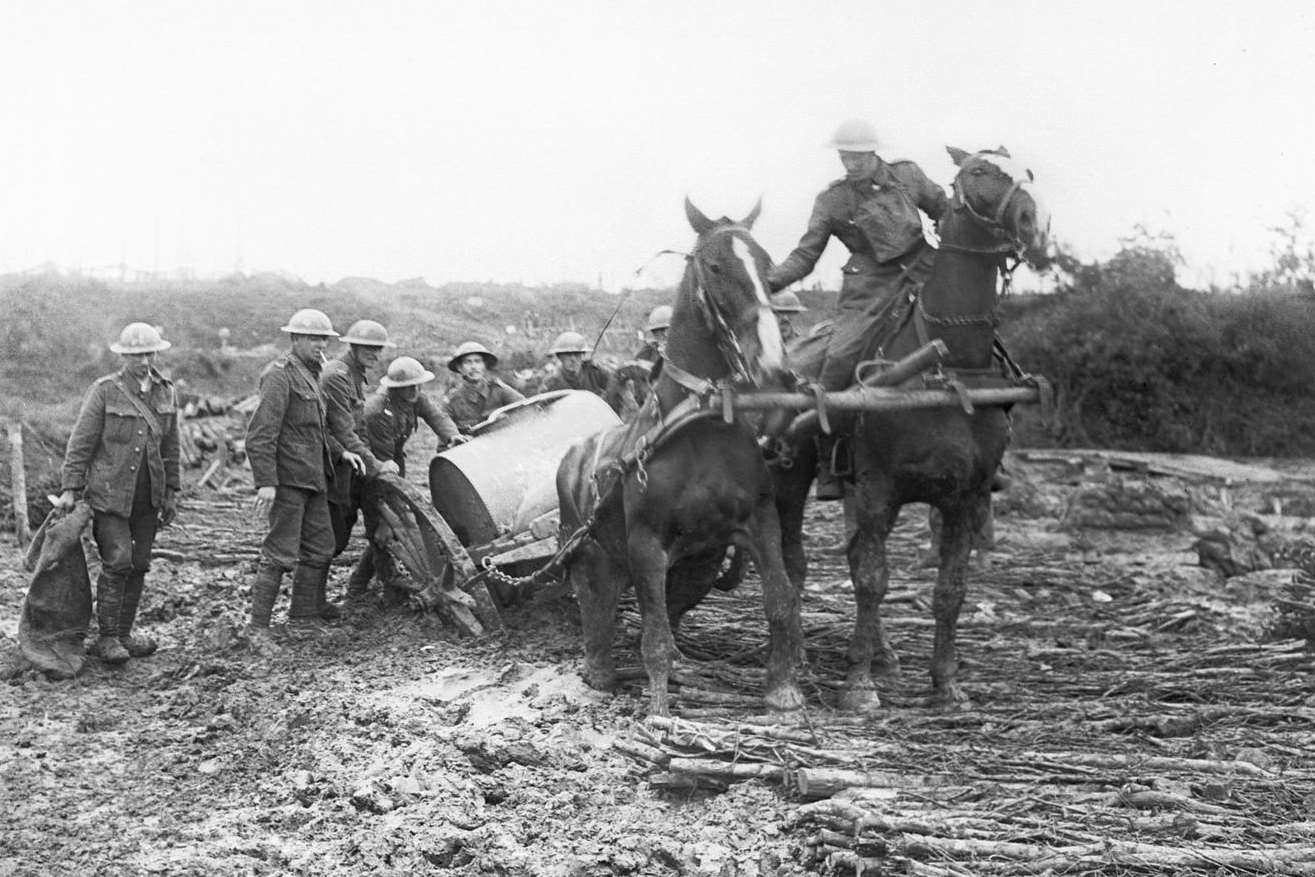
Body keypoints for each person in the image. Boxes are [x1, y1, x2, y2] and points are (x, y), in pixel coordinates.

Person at [768, 118, 949, 498]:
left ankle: (991, 444)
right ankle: (829, 452)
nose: (851, 163)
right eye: (844, 155)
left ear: (874, 152)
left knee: (974, 332)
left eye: (858, 156)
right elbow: (806, 255)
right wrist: (766, 283)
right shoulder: (832, 200)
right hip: (868, 288)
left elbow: (942, 208)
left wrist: (954, 242)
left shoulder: (908, 176)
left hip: (924, 270)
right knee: (838, 360)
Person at [55, 322, 180, 664]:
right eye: (136, 355)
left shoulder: (165, 391)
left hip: (148, 496)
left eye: (149, 353)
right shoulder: (105, 391)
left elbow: (171, 445)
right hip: (110, 495)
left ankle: (124, 634)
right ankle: (107, 638)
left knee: (139, 564)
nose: (144, 360)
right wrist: (70, 488)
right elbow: (82, 442)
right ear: (124, 356)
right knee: (118, 560)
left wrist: (171, 491)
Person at [244, 309, 367, 648]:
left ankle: (302, 620)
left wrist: (341, 451)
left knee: (321, 547)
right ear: (295, 339)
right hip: (288, 480)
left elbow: (314, 428)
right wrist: (266, 482)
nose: (320, 344)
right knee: (280, 552)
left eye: (324, 339)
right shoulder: (279, 376)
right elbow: (261, 434)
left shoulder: (312, 375)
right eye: (313, 338)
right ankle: (257, 629)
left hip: (315, 478)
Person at [347, 356, 468, 597]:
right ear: (395, 388)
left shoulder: (415, 396)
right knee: (382, 526)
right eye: (409, 387)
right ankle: (386, 583)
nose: (415, 391)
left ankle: (361, 580)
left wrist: (452, 435)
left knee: (394, 523)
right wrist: (387, 498)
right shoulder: (378, 411)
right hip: (370, 471)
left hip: (392, 463)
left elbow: (436, 416)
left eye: (417, 385)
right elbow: (380, 467)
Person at [320, 319, 398, 613]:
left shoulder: (354, 375)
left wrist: (373, 464)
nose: (374, 354)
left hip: (351, 465)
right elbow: (344, 431)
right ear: (353, 346)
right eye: (368, 348)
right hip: (332, 465)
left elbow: (359, 429)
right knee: (332, 535)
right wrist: (376, 467)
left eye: (378, 349)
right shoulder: (337, 375)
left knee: (343, 528)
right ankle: (311, 604)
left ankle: (321, 600)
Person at [539, 331, 633, 415]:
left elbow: (615, 385)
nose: (573, 359)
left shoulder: (595, 372)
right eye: (568, 354)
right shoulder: (551, 382)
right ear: (559, 357)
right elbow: (542, 411)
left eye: (577, 354)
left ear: (582, 355)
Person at [444, 341, 525, 434]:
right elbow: (446, 439)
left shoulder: (498, 390)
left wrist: (506, 420)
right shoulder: (452, 401)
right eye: (468, 362)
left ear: (484, 365)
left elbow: (525, 408)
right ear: (460, 368)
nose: (474, 367)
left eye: (478, 361)